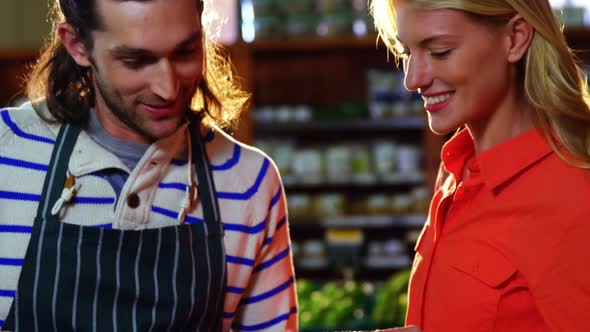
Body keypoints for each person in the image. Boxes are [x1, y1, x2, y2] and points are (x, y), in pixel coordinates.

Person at [0, 0, 298, 331]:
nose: (167, 88)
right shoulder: (5, 151)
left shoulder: (249, 181)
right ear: (77, 45)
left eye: (185, 52)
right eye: (136, 61)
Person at [364, 0, 590, 331]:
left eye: (440, 52)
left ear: (515, 38)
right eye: (406, 53)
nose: (412, 80)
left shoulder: (575, 198)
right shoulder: (456, 171)